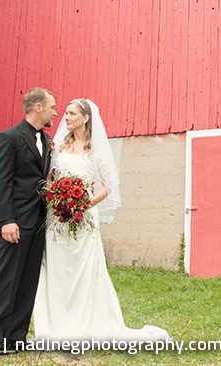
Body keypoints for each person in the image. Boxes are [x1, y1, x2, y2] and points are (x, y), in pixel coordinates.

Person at [33, 98, 170, 341]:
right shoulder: (59, 146)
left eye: (72, 114)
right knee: (56, 266)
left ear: (85, 118)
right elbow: (50, 178)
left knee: (84, 267)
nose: (66, 118)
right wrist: (57, 198)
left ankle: (88, 322)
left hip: (83, 216)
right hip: (57, 216)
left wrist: (85, 203)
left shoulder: (96, 149)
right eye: (65, 113)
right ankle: (55, 325)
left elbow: (109, 185)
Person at [0, 88, 57, 353]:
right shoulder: (9, 138)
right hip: (13, 223)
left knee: (27, 283)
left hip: (38, 223)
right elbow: (0, 182)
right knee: (5, 280)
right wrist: (6, 220)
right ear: (38, 107)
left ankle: (15, 337)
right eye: (52, 107)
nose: (55, 113)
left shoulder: (47, 141)